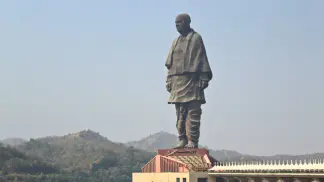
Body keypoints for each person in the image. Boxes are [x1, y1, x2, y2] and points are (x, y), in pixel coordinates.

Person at [165, 13, 213, 148]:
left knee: (193, 112)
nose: (177, 25)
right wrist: (169, 79)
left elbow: (202, 58)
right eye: (175, 23)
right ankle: (182, 139)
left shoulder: (196, 38)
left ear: (187, 22)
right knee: (180, 113)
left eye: (179, 22)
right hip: (177, 80)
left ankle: (192, 141)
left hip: (192, 80)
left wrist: (203, 77)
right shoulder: (175, 41)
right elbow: (170, 64)